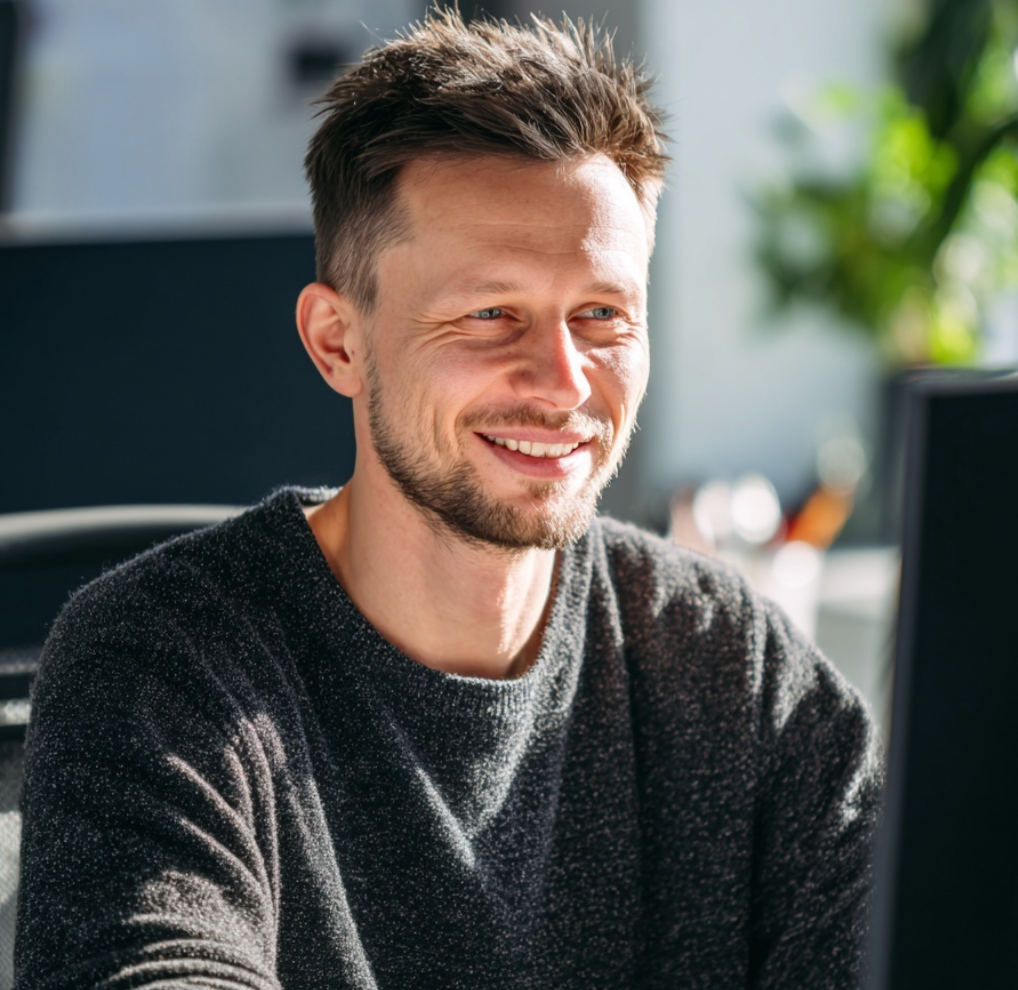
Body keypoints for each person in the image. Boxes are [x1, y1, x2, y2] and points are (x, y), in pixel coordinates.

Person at [14, 10, 882, 989]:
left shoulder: (736, 675)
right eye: (488, 314)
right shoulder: (160, 669)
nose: (562, 380)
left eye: (602, 315)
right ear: (338, 342)